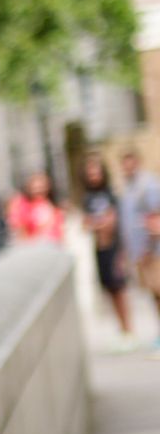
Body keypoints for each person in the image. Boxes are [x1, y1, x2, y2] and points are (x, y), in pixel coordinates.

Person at [79, 153, 133, 341]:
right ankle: (122, 331)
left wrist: (98, 223)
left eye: (96, 171)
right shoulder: (87, 198)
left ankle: (128, 330)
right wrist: (97, 223)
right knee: (109, 290)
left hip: (113, 247)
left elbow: (112, 222)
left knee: (120, 290)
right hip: (99, 249)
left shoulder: (109, 194)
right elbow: (85, 224)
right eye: (90, 172)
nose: (93, 175)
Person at [120, 149, 160, 350]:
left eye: (130, 163)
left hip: (153, 251)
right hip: (140, 252)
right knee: (154, 294)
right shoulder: (129, 187)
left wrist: (148, 249)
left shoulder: (148, 185)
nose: (127, 168)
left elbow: (155, 219)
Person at [7, 172, 64, 245]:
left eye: (41, 187)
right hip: (35, 246)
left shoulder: (52, 205)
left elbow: (59, 229)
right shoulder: (25, 206)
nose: (38, 190)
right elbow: (21, 229)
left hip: (53, 245)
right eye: (36, 188)